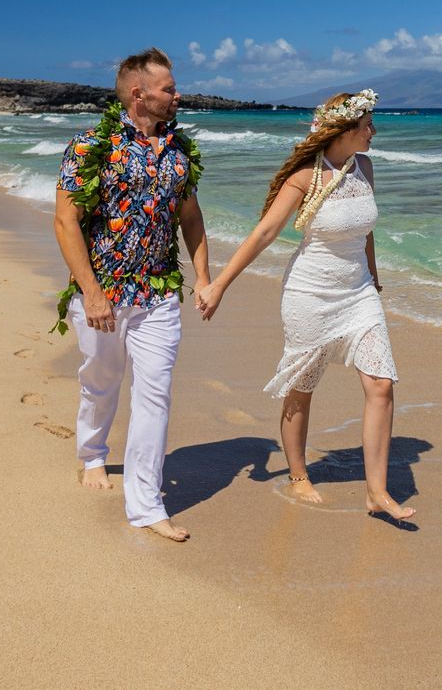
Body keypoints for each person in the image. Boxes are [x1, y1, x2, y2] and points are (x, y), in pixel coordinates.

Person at [197, 90, 415, 521]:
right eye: (368, 124)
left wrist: (373, 276)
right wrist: (219, 284)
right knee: (303, 386)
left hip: (358, 294)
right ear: (345, 130)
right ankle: (298, 476)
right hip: (309, 295)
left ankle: (377, 491)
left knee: (381, 385)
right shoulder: (305, 177)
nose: (374, 130)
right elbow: (263, 234)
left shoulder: (364, 168)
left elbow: (365, 231)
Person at [52, 47, 210, 542]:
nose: (177, 95)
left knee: (155, 394)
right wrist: (92, 292)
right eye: (169, 88)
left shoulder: (179, 153)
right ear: (139, 94)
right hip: (104, 293)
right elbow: (66, 221)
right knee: (101, 380)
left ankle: (145, 506)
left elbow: (191, 219)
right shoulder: (89, 147)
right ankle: (93, 455)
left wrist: (203, 277)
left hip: (158, 295)